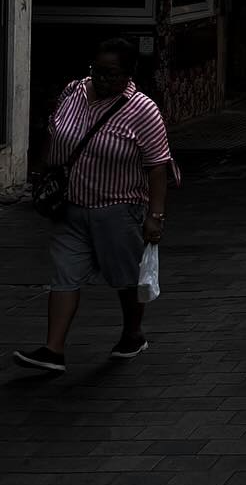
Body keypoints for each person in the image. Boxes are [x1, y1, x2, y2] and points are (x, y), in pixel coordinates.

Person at [14, 38, 172, 373]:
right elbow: (54, 133)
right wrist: (41, 174)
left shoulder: (142, 110)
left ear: (128, 74)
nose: (102, 80)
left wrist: (155, 216)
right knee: (64, 275)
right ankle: (53, 349)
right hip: (70, 206)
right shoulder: (74, 92)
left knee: (124, 278)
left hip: (117, 207)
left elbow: (158, 165)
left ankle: (132, 333)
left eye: (111, 74)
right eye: (97, 71)